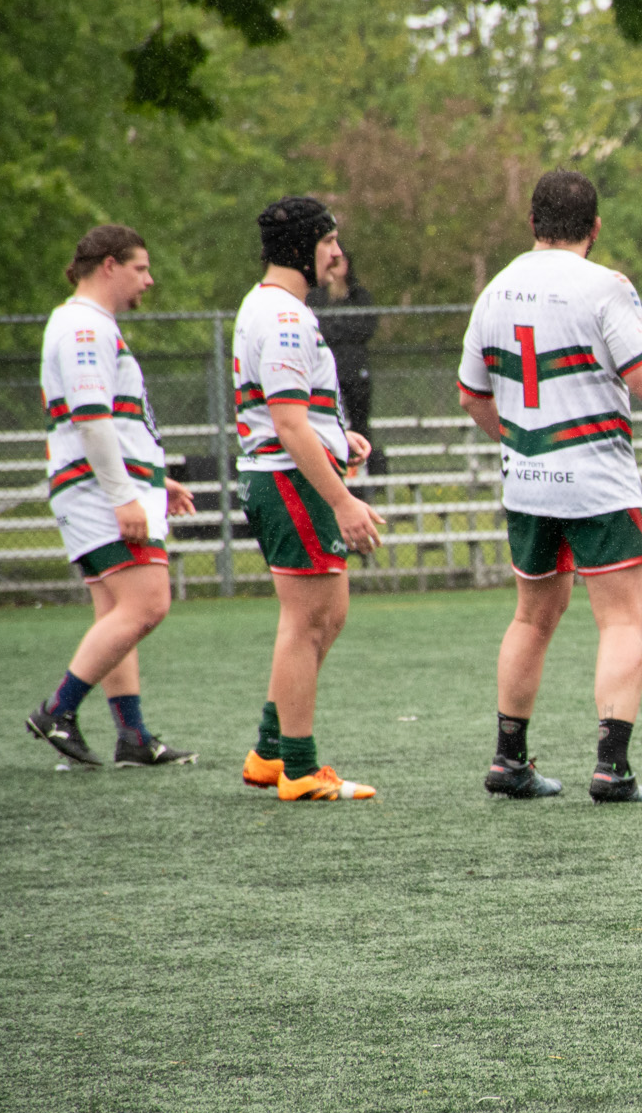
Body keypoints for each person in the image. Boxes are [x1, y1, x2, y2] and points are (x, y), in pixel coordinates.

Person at [457, 168, 642, 803]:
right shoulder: (606, 287)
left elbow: (471, 394)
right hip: (598, 483)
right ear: (595, 228)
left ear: (532, 225)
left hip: (528, 484)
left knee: (531, 617)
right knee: (620, 621)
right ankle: (612, 767)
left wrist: (523, 442)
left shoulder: (495, 289)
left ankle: (508, 758)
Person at [24, 224, 198, 768]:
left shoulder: (84, 323)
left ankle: (133, 737)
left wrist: (150, 480)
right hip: (98, 492)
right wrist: (125, 495)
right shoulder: (82, 324)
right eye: (141, 268)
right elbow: (91, 418)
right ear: (108, 266)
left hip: (97, 485)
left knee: (117, 613)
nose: (150, 280)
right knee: (148, 604)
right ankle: (58, 710)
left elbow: (109, 424)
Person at [234, 196, 384, 802]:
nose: (337, 253)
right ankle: (299, 766)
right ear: (303, 245)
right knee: (308, 621)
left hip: (285, 474)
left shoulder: (273, 307)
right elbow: (288, 423)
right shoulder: (287, 316)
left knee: (324, 616)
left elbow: (296, 411)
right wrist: (344, 501)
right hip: (289, 479)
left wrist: (335, 434)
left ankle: (270, 753)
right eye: (328, 241)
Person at [313, 245, 383, 477]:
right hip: (329, 370)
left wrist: (338, 327)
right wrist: (342, 327)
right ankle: (332, 472)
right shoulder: (317, 297)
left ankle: (367, 477)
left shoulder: (359, 296)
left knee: (360, 422)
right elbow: (320, 329)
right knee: (327, 421)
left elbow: (365, 328)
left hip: (355, 369)